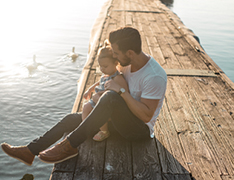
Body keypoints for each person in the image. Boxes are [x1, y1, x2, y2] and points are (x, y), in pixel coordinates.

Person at [1, 27, 167, 166]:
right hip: (118, 120)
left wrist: (121, 92)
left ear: (130, 52)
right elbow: (111, 78)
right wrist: (93, 86)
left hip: (138, 131)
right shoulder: (127, 64)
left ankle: (70, 145)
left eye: (116, 53)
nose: (114, 56)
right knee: (69, 119)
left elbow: (146, 116)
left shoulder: (154, 76)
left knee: (110, 97)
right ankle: (30, 151)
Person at [82, 40, 128, 141]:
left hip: (105, 103)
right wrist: (90, 89)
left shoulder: (117, 78)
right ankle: (85, 128)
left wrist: (99, 94)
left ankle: (104, 131)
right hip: (97, 98)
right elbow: (99, 82)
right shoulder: (106, 74)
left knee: (100, 113)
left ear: (116, 63)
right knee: (85, 107)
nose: (102, 69)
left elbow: (120, 92)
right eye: (100, 66)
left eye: (105, 66)